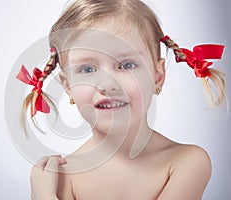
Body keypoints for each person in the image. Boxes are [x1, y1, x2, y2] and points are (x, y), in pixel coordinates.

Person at [16, 0, 226, 199]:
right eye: (88, 69)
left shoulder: (186, 162)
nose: (107, 84)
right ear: (68, 86)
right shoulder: (60, 177)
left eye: (126, 65)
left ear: (158, 75)